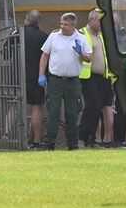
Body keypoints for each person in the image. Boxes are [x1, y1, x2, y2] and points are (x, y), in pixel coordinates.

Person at [38, 13, 91, 150]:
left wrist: (81, 53)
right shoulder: (54, 36)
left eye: (65, 24)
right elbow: (45, 55)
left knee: (72, 113)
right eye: (61, 23)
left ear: (73, 25)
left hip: (72, 82)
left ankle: (72, 144)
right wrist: (41, 74)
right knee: (53, 112)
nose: (62, 27)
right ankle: (49, 144)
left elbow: (88, 58)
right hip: (55, 80)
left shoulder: (81, 38)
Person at [78, 9, 119, 148]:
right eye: (100, 21)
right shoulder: (82, 34)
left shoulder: (102, 35)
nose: (102, 25)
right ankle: (85, 137)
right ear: (92, 20)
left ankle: (105, 140)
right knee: (93, 106)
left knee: (107, 107)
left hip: (105, 77)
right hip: (89, 77)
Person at [22, 10, 48, 149]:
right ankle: (37, 140)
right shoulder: (43, 36)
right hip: (37, 76)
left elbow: (6, 52)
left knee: (15, 106)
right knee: (36, 107)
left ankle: (8, 136)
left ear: (26, 19)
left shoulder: (17, 34)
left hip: (18, 75)